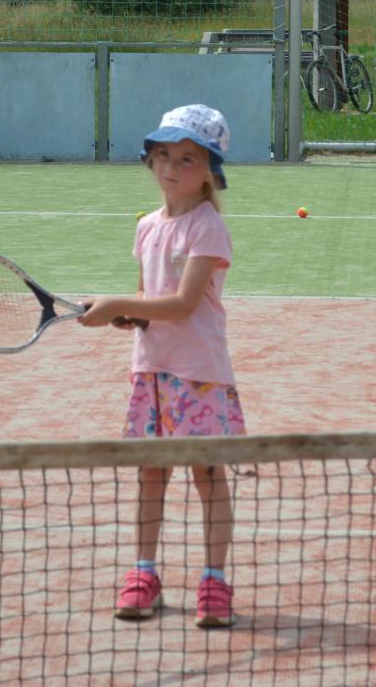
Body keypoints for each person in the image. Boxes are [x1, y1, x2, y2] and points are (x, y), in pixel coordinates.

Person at [78, 104, 245, 630]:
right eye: (163, 154)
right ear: (150, 159)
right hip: (151, 370)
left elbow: (183, 304)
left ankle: (214, 581)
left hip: (198, 374)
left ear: (209, 171)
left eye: (187, 158)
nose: (171, 166)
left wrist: (120, 304)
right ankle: (143, 573)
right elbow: (150, 302)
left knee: (207, 475)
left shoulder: (208, 227)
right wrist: (125, 314)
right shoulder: (148, 227)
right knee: (150, 474)